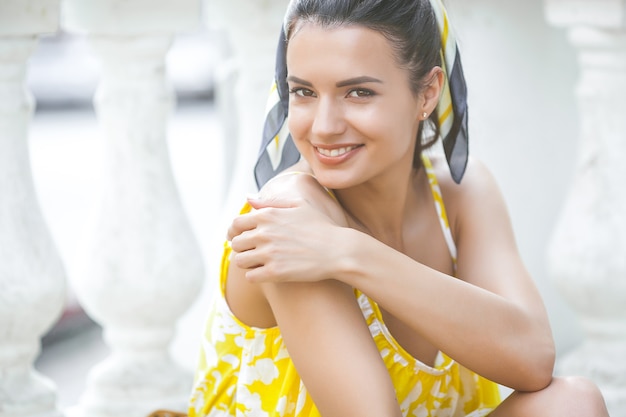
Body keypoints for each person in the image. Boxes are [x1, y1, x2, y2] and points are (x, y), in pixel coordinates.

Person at [188, 0, 610, 416]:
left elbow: (533, 360)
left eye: (358, 92)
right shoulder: (288, 219)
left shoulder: (461, 194)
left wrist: (347, 252)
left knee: (573, 404)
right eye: (303, 92)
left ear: (427, 92)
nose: (323, 126)